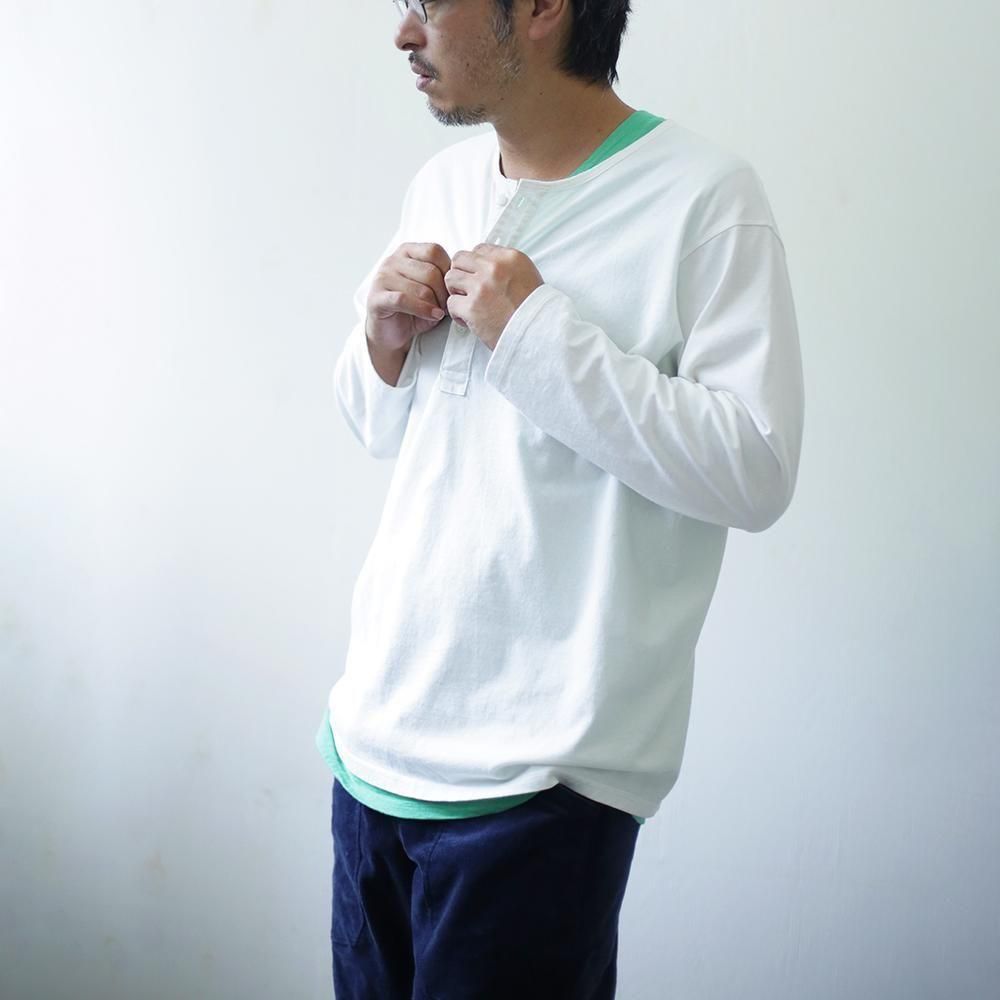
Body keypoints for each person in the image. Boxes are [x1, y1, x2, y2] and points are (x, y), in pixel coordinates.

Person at [316, 1, 805, 997]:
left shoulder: (705, 200)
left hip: (544, 780)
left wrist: (537, 332)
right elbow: (382, 430)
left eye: (428, 1)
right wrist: (380, 339)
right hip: (374, 743)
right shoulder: (443, 184)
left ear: (541, 8)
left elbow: (755, 468)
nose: (404, 33)